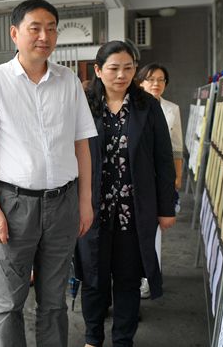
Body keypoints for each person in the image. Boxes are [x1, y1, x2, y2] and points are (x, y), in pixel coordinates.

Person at [0, 0, 97, 347]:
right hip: (14, 205)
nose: (45, 36)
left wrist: (85, 202)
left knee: (54, 302)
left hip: (63, 203)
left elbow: (81, 145)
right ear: (15, 33)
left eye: (51, 28)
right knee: (9, 302)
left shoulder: (69, 81)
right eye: (35, 28)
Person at [76, 41, 176, 347]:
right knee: (93, 278)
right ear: (98, 70)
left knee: (128, 280)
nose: (122, 74)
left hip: (134, 211)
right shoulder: (83, 104)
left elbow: (163, 158)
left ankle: (123, 340)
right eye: (114, 68)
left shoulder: (148, 105)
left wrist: (166, 207)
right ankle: (93, 337)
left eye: (128, 68)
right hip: (91, 209)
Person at [137, 63, 183, 298]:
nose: (156, 83)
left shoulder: (172, 109)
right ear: (141, 81)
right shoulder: (134, 106)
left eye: (161, 80)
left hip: (160, 178)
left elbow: (176, 149)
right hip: (139, 178)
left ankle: (150, 278)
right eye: (151, 79)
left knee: (154, 232)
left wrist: (176, 180)